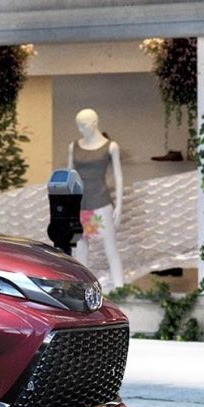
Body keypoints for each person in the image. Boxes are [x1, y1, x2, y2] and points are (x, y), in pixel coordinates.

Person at [67, 108, 124, 290]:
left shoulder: (111, 147)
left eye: (83, 125)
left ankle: (121, 289)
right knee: (81, 248)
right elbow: (69, 175)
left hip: (100, 202)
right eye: (78, 126)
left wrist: (119, 206)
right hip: (79, 204)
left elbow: (118, 176)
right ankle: (80, 289)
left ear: (94, 123)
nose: (80, 129)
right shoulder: (73, 146)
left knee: (110, 247)